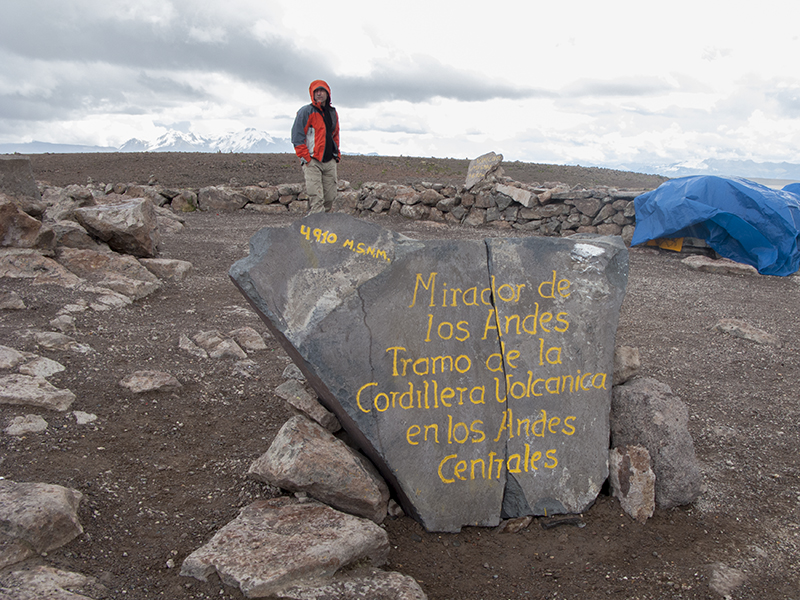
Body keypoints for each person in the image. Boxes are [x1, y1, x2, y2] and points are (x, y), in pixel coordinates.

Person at [291, 80, 340, 213]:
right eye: (316, 91)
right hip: (312, 160)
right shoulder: (305, 112)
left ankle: (320, 228)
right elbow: (297, 136)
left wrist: (337, 155)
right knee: (317, 200)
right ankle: (314, 231)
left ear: (327, 93)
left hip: (329, 160)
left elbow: (335, 134)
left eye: (322, 90)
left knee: (329, 198)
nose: (319, 93)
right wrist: (306, 158)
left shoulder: (332, 113)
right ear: (312, 94)